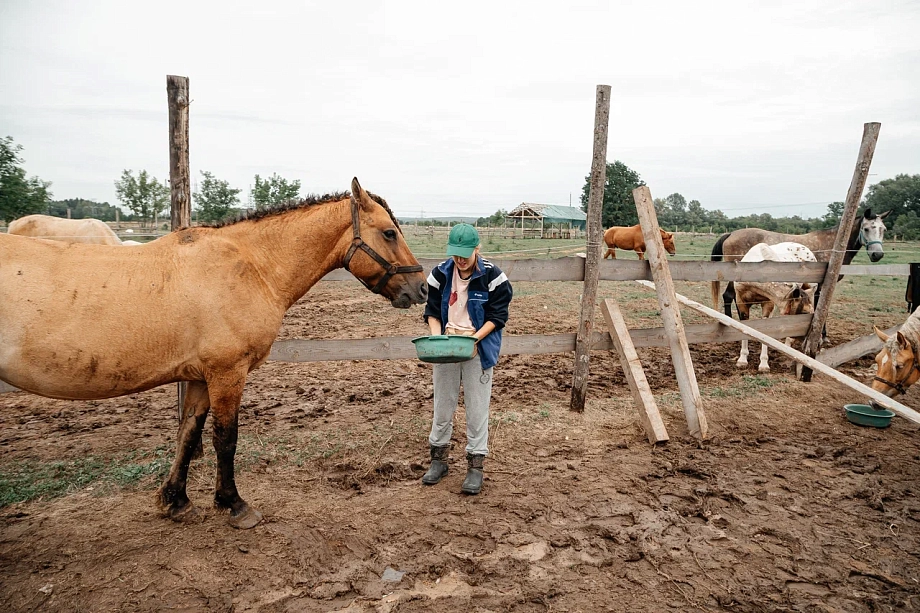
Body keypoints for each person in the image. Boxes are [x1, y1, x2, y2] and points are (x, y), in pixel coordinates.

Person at [422, 223, 512, 495]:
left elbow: (498, 317)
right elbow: (432, 311)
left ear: (477, 249)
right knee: (443, 404)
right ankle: (438, 460)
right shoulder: (439, 274)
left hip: (478, 347)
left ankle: (476, 465)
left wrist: (475, 340)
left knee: (477, 408)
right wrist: (437, 341)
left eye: (465, 253)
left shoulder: (494, 278)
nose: (459, 259)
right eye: (455, 254)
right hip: (447, 346)